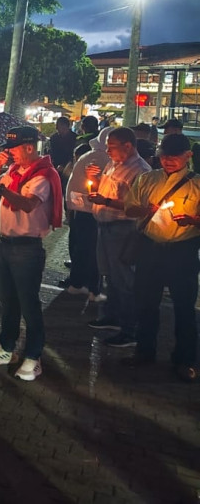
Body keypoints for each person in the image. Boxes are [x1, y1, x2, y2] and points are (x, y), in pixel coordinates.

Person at [0, 126, 62, 382]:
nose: (9, 153)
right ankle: (6, 348)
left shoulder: (43, 175)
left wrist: (0, 187)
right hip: (5, 245)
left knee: (29, 304)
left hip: (27, 248)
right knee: (8, 301)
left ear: (28, 147)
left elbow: (27, 204)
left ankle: (33, 356)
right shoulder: (13, 171)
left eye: (13, 148)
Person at [124, 133, 200, 382]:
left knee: (184, 307)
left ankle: (185, 359)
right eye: (164, 156)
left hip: (183, 250)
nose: (168, 161)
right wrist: (147, 209)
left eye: (174, 157)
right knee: (145, 303)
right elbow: (129, 207)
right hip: (150, 248)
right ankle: (144, 351)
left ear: (187, 156)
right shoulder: (147, 179)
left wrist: (192, 220)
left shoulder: (197, 184)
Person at [86, 127, 151, 348]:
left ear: (128, 146)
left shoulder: (141, 171)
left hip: (123, 230)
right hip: (104, 227)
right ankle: (112, 317)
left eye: (112, 146)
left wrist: (105, 202)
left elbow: (139, 207)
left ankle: (129, 329)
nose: (107, 150)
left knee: (124, 279)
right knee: (110, 275)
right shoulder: (114, 164)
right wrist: (93, 180)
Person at [62, 128, 111, 298]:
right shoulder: (102, 157)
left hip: (78, 207)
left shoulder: (89, 155)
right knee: (91, 250)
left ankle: (78, 283)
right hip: (90, 209)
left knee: (80, 247)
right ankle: (91, 288)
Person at [47, 116, 76, 182]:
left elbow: (73, 154)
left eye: (62, 127)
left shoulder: (74, 138)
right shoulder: (53, 138)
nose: (57, 129)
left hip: (70, 168)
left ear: (67, 127)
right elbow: (52, 153)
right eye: (57, 127)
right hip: (56, 167)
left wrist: (65, 166)